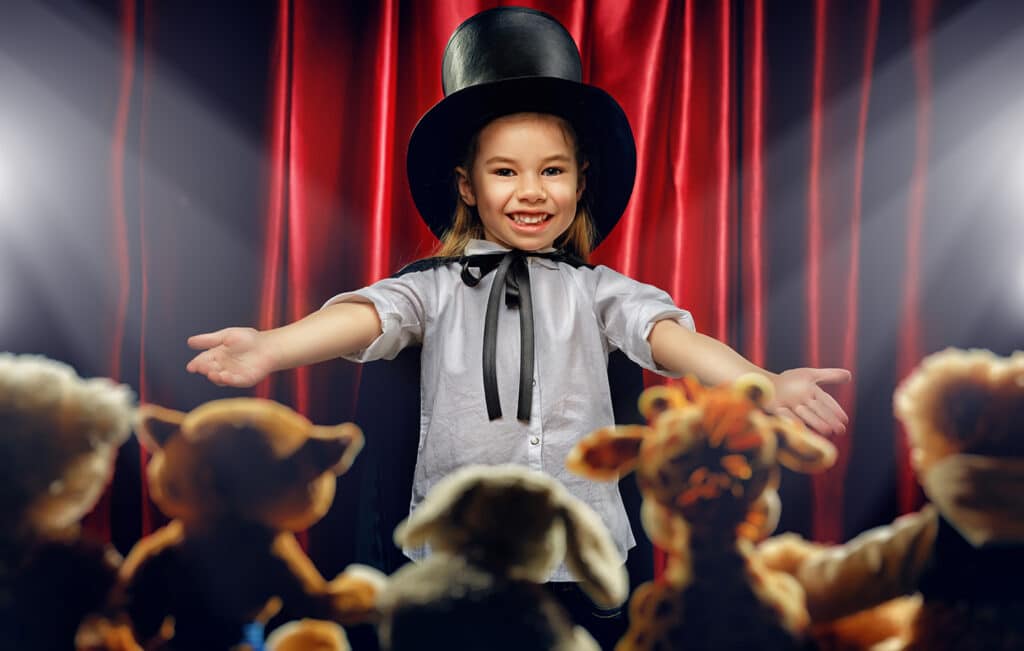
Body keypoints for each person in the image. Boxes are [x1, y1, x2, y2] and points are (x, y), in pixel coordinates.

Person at [186, 7, 849, 649]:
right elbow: (363, 315)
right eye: (505, 171)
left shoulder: (599, 291)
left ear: (579, 182)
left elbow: (672, 339)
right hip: (456, 556)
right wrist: (270, 347)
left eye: (551, 171)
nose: (531, 191)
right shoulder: (434, 288)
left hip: (580, 557)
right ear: (468, 186)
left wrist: (763, 382)